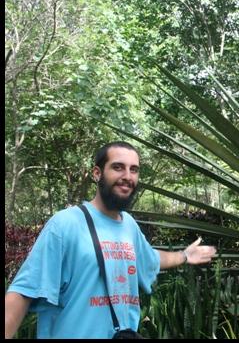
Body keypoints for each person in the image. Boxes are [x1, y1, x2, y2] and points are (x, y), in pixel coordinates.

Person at [5, 141, 217, 339]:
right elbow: (23, 292)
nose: (127, 176)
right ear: (97, 173)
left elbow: (150, 258)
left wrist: (184, 256)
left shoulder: (129, 225)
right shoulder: (65, 224)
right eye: (118, 167)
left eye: (133, 169)